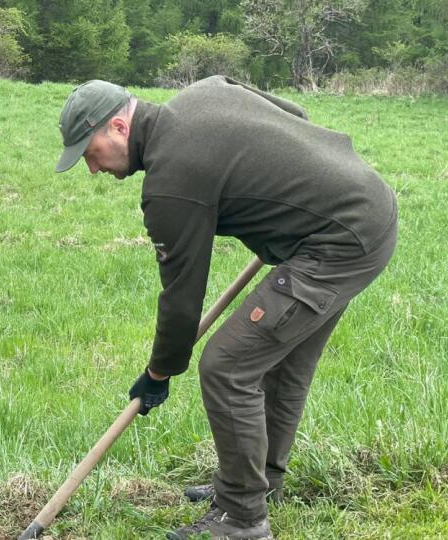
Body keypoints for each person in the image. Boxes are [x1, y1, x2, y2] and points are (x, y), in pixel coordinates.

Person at [55, 77, 397, 539]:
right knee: (279, 361)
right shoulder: (206, 90)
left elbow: (181, 297)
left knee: (226, 365)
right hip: (367, 209)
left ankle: (241, 519)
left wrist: (159, 373)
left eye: (89, 153)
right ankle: (261, 484)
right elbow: (293, 114)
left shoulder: (171, 181)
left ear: (118, 126)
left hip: (339, 242)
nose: (92, 169)